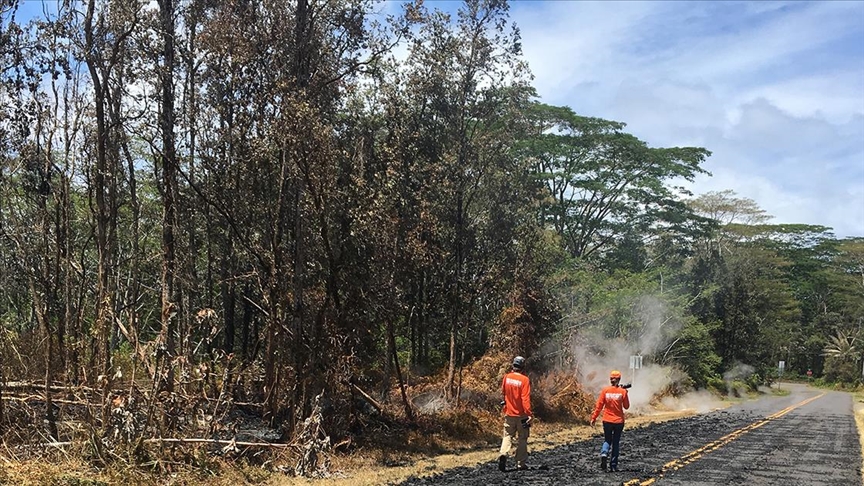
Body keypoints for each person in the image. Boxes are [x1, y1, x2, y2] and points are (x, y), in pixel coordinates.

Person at [590, 370, 630, 472]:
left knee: (607, 440)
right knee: (615, 442)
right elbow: (626, 406)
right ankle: (613, 465)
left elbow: (599, 406)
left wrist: (594, 418)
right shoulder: (622, 391)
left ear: (610, 379)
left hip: (607, 420)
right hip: (618, 421)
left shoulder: (605, 390)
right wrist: (626, 393)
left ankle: (604, 453)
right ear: (619, 379)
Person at [498, 355, 533, 472]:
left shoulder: (506, 377)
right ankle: (520, 464)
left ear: (513, 365)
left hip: (509, 413)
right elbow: (525, 399)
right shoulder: (524, 380)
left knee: (507, 435)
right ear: (523, 367)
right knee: (522, 438)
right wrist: (529, 414)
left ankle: (503, 453)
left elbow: (503, 393)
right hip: (522, 415)